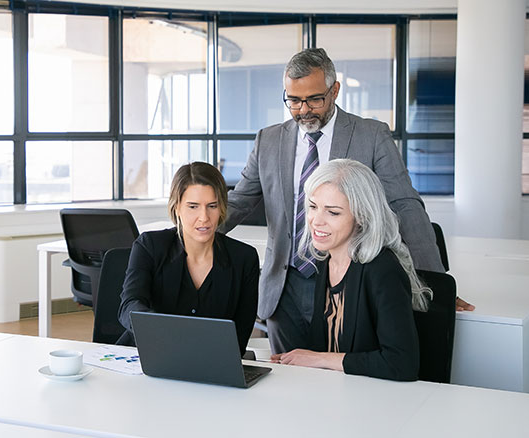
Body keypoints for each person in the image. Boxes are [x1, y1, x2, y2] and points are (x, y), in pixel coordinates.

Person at [219, 47, 473, 355]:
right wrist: (194, 230)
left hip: (349, 282)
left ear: (335, 90)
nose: (303, 110)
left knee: (346, 378)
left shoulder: (371, 135)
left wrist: (435, 282)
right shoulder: (268, 139)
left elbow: (405, 204)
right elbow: (240, 201)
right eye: (293, 100)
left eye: (314, 99)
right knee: (290, 380)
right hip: (285, 287)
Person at [272, 159, 424, 381]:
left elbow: (402, 363)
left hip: (377, 400)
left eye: (333, 212)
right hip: (338, 391)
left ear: (361, 217)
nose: (316, 221)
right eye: (313, 207)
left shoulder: (382, 270)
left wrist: (319, 359)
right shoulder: (326, 260)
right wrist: (296, 360)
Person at [117, 162, 259, 354]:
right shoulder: (149, 246)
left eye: (212, 206)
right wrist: (160, 329)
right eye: (193, 206)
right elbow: (129, 305)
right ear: (177, 207)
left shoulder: (244, 259)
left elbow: (239, 337)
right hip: (146, 355)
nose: (204, 217)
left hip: (210, 363)